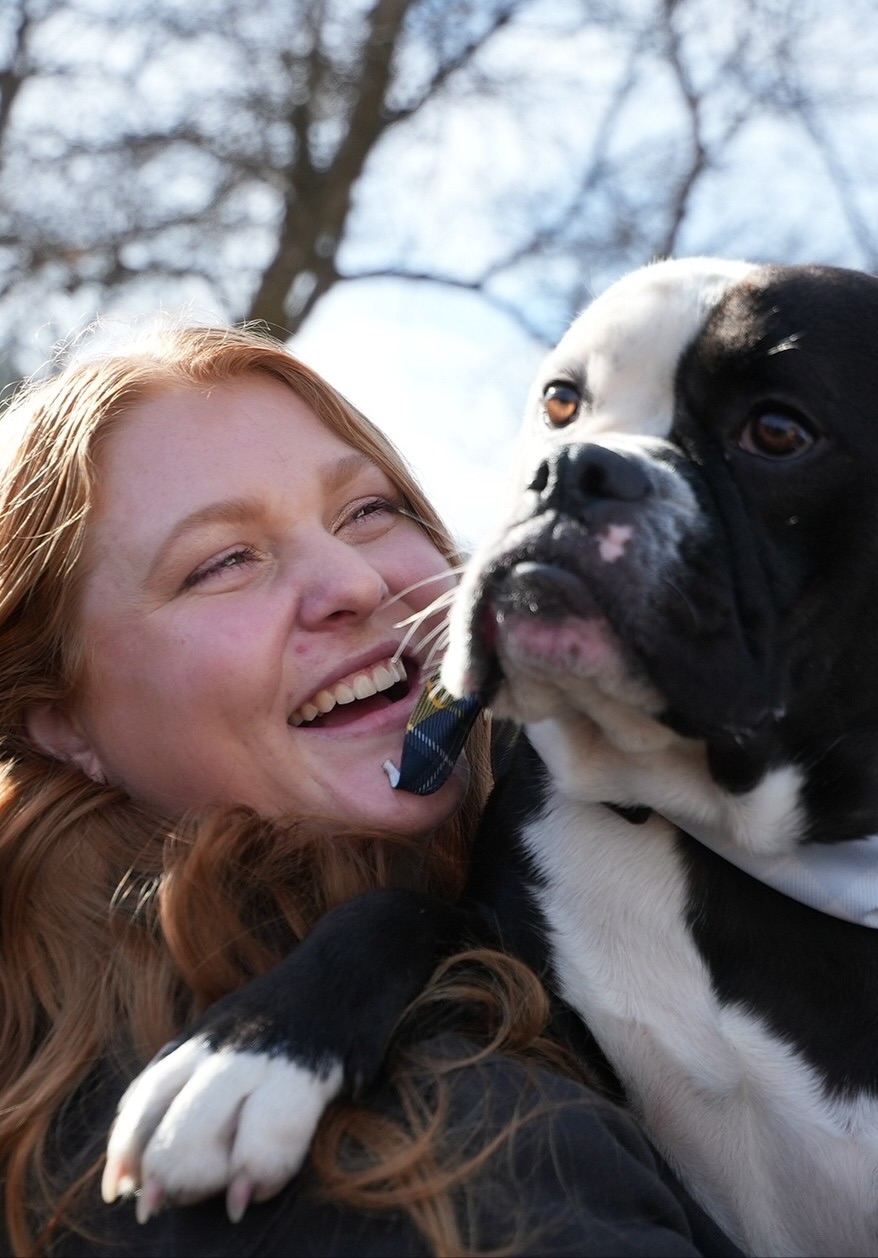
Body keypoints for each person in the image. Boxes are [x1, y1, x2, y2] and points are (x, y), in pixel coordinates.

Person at [0, 320, 742, 1257]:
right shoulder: (440, 1148)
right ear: (62, 722)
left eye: (368, 511)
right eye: (224, 560)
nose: (353, 581)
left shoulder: (628, 848)